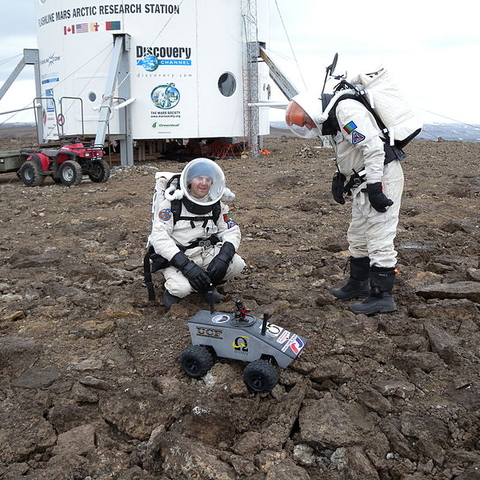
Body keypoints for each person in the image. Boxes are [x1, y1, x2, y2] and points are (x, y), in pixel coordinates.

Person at [285, 91, 404, 315]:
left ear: (312, 110)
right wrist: (340, 177)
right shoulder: (335, 119)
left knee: (379, 234)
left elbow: (374, 148)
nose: (309, 126)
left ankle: (382, 297)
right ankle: (358, 284)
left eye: (307, 121)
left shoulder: (347, 113)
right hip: (363, 180)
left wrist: (376, 187)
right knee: (358, 234)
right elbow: (350, 150)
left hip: (380, 177)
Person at [147, 158, 245, 308]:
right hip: (179, 257)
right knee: (181, 288)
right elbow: (159, 237)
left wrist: (223, 257)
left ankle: (207, 284)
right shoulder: (172, 204)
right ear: (190, 180)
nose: (204, 183)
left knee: (237, 264)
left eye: (208, 179)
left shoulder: (216, 204)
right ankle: (175, 289)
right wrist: (186, 266)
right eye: (199, 178)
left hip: (205, 252)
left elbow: (231, 229)